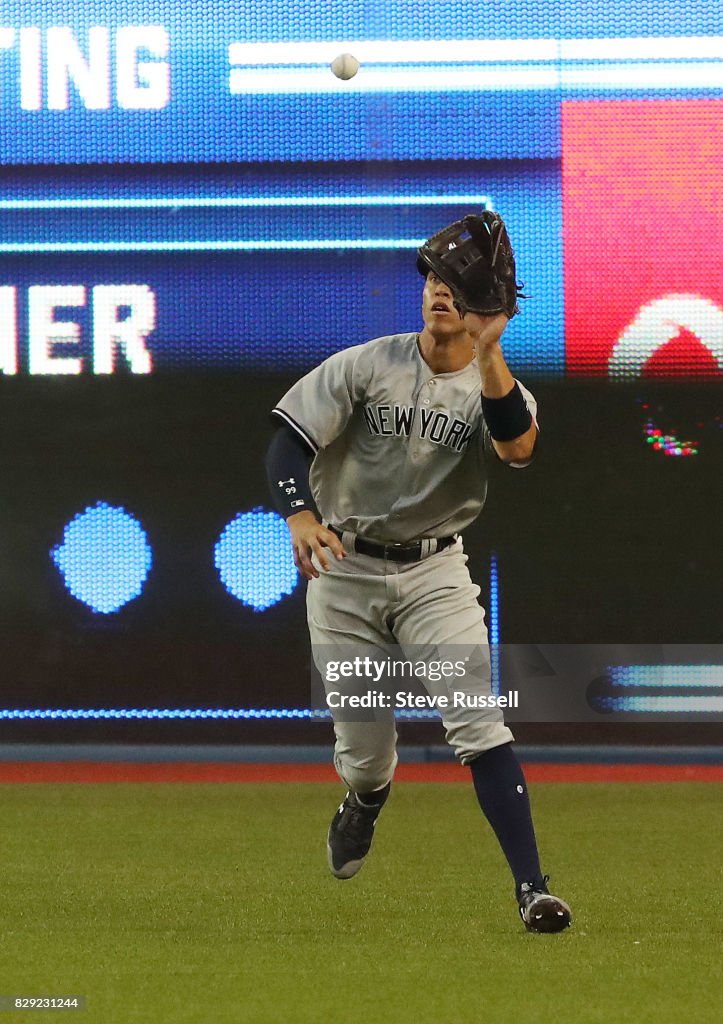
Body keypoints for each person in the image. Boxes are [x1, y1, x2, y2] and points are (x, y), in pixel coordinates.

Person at [265, 249, 572, 933]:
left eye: (456, 286)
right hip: (344, 569)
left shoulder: (497, 387)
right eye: (434, 280)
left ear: (487, 309)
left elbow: (517, 448)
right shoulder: (367, 364)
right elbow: (286, 442)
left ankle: (532, 890)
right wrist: (299, 512)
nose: (438, 292)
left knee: (476, 720)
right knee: (366, 755)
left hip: (433, 570)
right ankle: (364, 800)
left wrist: (489, 354)